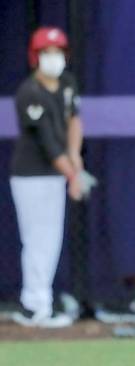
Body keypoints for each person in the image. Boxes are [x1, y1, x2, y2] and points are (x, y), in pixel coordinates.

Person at [10, 27, 84, 328]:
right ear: (35, 57)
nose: (52, 59)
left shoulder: (67, 83)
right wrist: (73, 175)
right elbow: (48, 143)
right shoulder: (29, 93)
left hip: (55, 174)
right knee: (38, 239)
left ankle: (38, 302)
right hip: (31, 175)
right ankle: (36, 304)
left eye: (57, 52)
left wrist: (75, 157)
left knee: (49, 240)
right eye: (46, 53)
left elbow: (73, 120)